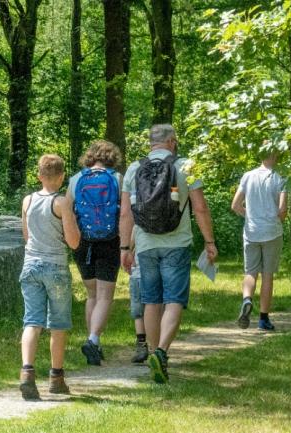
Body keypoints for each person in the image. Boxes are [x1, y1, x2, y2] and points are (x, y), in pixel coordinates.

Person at [119, 124, 218, 384]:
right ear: (172, 141)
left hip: (146, 244)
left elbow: (126, 213)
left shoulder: (133, 169)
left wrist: (125, 248)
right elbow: (200, 208)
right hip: (177, 241)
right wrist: (209, 241)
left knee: (151, 300)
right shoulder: (185, 165)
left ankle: (153, 352)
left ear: (151, 142)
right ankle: (162, 352)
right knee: (174, 299)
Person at [19, 154, 81, 401]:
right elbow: (74, 242)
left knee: (32, 321)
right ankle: (56, 378)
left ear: (39, 176)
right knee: (58, 324)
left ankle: (26, 374)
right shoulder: (62, 202)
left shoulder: (27, 200)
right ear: (62, 176)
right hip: (54, 267)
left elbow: (26, 236)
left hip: (30, 266)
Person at [66, 140, 123, 366]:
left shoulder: (76, 179)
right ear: (112, 157)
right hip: (110, 240)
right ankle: (93, 339)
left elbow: (68, 212)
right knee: (105, 296)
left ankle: (93, 344)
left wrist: (72, 240)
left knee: (92, 295)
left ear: (89, 157)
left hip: (83, 242)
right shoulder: (117, 179)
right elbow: (126, 212)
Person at [231, 151, 287, 331]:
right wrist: (276, 220)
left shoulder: (248, 176)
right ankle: (263, 319)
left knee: (250, 272)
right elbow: (283, 210)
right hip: (272, 231)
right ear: (276, 156)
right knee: (267, 275)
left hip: (251, 231)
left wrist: (251, 216)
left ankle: (247, 299)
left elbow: (235, 205)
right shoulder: (281, 178)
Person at [129, 227, 148, 363]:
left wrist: (127, 250)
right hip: (155, 272)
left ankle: (141, 345)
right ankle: (157, 346)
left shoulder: (139, 216)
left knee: (138, 311)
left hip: (138, 272)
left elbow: (130, 242)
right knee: (155, 308)